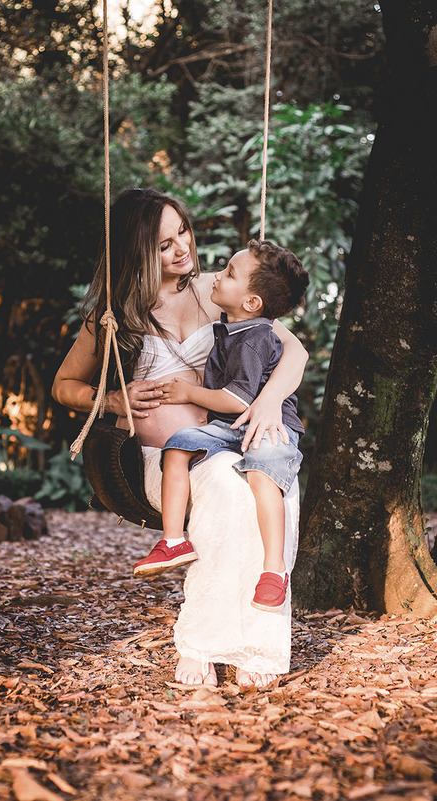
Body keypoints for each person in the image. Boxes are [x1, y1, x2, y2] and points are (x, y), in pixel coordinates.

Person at [53, 189, 308, 688]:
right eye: (164, 244)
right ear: (135, 253)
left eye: (183, 232)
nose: (182, 249)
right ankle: (204, 645)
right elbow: (64, 387)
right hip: (166, 461)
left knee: (270, 491)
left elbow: (292, 351)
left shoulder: (219, 289)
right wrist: (111, 400)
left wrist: (271, 400)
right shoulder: (114, 315)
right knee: (227, 488)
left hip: (228, 439)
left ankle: (255, 646)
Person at [137, 240, 308, 617]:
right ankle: (174, 540)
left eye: (229, 273)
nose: (218, 275)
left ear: (252, 303)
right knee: (178, 446)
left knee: (264, 476)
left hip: (268, 429)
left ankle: (273, 570)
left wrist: (188, 392)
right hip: (232, 429)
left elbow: (237, 399)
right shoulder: (230, 329)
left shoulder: (256, 338)